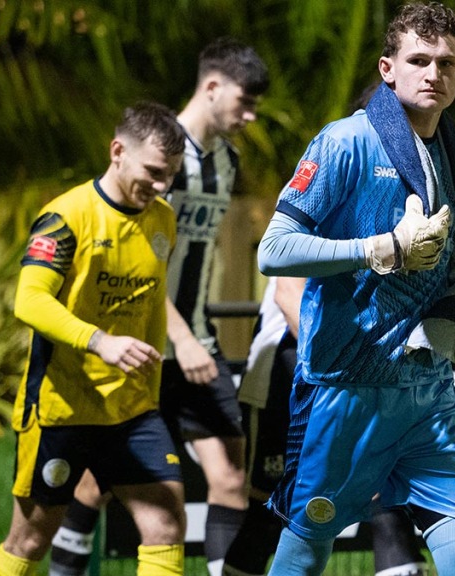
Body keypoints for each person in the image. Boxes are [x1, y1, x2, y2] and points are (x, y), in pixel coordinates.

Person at [256, 2, 455, 573]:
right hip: (347, 388)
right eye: (418, 60)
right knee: (304, 551)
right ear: (387, 69)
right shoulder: (345, 142)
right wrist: (380, 249)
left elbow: (446, 255)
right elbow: (272, 251)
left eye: (446, 63)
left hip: (428, 390)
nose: (433, 73)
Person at [49, 37, 270, 576]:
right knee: (98, 482)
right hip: (143, 344)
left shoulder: (228, 161)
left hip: (198, 340)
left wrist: (194, 335)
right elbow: (139, 263)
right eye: (244, 101)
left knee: (230, 476)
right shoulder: (156, 153)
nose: (249, 116)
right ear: (211, 87)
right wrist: (180, 338)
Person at [0, 102, 186, 576]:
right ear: (117, 151)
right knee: (31, 537)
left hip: (131, 410)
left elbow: (152, 302)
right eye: (154, 172)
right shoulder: (65, 216)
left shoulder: (162, 218)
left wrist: (151, 389)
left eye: (171, 176)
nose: (162, 186)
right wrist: (100, 341)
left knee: (165, 521)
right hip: (63, 407)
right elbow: (29, 301)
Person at [223, 277, 430, 576]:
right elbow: (288, 293)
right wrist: (340, 363)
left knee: (386, 497)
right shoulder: (321, 241)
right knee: (269, 513)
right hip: (283, 377)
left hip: (363, 373)